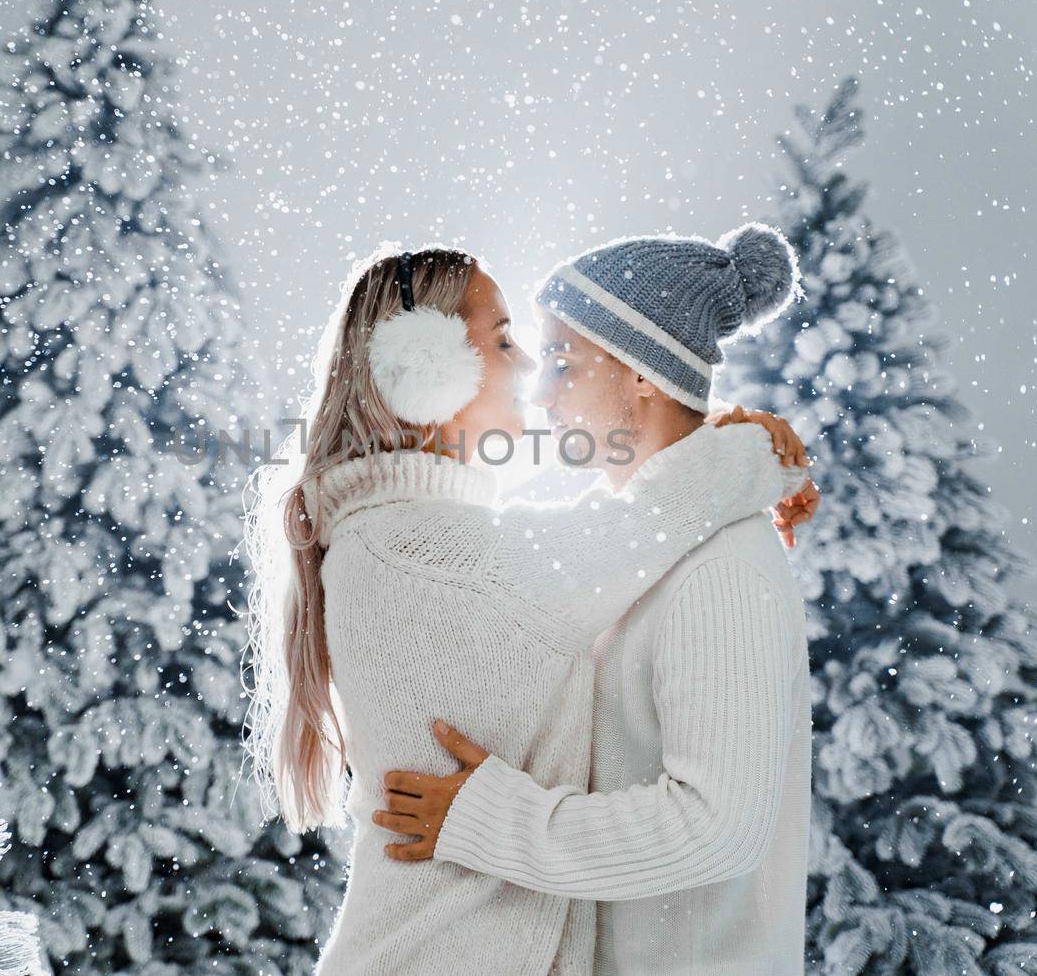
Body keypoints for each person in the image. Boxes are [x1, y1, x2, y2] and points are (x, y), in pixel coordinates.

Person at [243, 233, 814, 975]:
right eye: (507, 340)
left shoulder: (422, 539)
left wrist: (734, 454)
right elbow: (628, 528)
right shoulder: (414, 548)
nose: (534, 378)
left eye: (559, 358)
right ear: (423, 365)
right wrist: (757, 454)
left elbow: (612, 536)